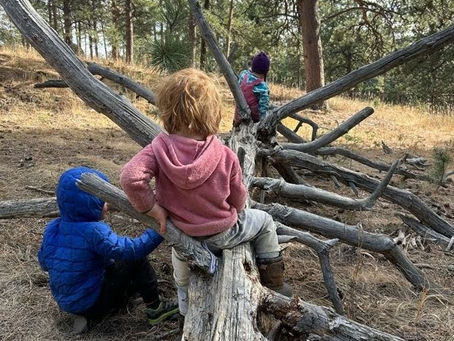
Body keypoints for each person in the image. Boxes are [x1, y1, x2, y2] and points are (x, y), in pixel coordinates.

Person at [120, 68, 291, 317]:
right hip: (223, 233)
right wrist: (238, 205)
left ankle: (184, 311)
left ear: (167, 112)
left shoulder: (158, 148)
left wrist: (152, 209)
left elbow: (129, 177)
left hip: (183, 234)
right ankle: (273, 281)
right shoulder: (224, 154)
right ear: (213, 114)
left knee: (180, 266)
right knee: (265, 221)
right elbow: (238, 198)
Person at [38, 167, 178, 333]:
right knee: (133, 259)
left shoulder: (53, 227)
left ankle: (89, 311)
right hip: (92, 302)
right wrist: (158, 230)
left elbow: (44, 264)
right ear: (89, 203)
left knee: (113, 264)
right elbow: (132, 250)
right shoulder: (93, 231)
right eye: (102, 198)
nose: (107, 203)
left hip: (67, 302)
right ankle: (156, 309)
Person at [234, 51, 270, 125]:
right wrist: (263, 123)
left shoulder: (243, 74)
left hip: (238, 114)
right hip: (253, 121)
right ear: (266, 71)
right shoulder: (262, 87)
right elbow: (263, 108)